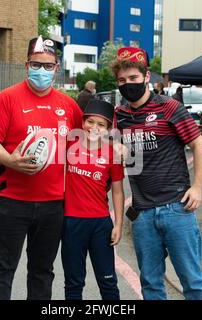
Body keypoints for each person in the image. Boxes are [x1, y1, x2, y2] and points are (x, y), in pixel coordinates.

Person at [0, 35, 83, 300]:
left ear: (56, 68)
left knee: (42, 270)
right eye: (36, 64)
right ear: (27, 65)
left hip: (53, 204)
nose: (42, 71)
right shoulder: (7, 98)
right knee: (2, 268)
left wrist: (113, 148)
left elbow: (82, 146)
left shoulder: (68, 106)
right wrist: (9, 160)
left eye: (48, 66)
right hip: (11, 201)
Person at [110, 46, 202, 300]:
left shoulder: (169, 108)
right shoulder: (119, 116)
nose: (127, 84)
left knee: (193, 282)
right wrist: (114, 145)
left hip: (177, 208)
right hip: (142, 214)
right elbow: (104, 143)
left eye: (133, 78)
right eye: (122, 80)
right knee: (151, 285)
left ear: (146, 77)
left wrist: (197, 187)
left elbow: (198, 145)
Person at [61, 99, 124, 300]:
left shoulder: (113, 153)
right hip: (71, 222)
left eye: (101, 125)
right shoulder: (70, 143)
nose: (94, 128)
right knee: (73, 282)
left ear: (109, 129)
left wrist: (119, 224)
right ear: (82, 122)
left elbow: (117, 191)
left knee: (108, 281)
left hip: (100, 224)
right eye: (90, 122)